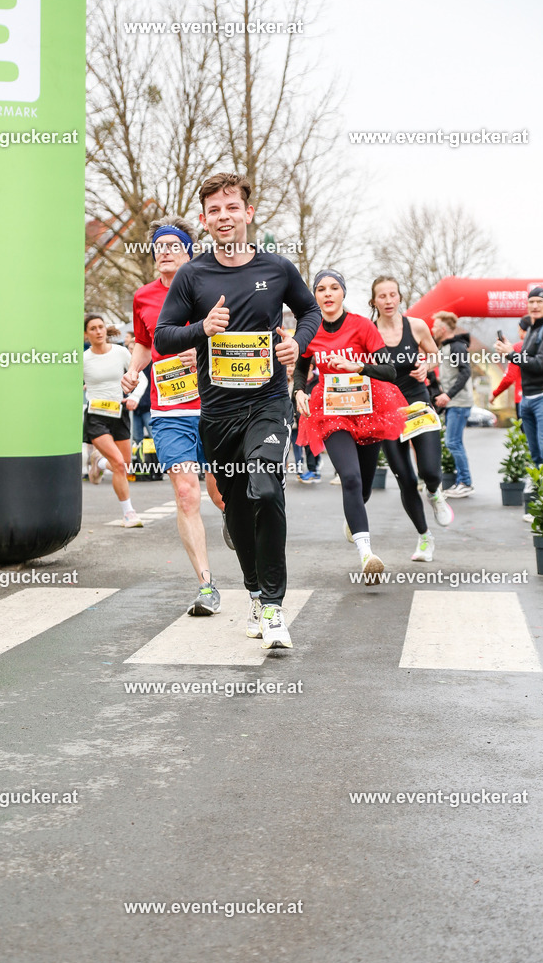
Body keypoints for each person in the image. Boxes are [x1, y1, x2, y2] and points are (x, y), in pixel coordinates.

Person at [154, 172, 321, 648]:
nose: (224, 217)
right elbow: (163, 336)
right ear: (204, 220)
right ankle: (253, 589)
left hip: (267, 402)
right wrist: (202, 327)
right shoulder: (193, 275)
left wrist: (297, 345)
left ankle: (272, 605)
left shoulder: (278, 267)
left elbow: (308, 313)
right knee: (237, 511)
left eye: (232, 207)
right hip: (218, 412)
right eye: (214, 211)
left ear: (248, 213)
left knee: (267, 490)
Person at [123, 216, 228, 615]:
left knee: (220, 493)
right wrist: (135, 370)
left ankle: (231, 516)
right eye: (159, 246)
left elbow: (235, 339)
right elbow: (144, 343)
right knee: (186, 493)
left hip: (216, 405)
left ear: (188, 251)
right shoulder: (143, 296)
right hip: (169, 408)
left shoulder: (210, 286)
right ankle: (206, 585)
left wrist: (198, 347)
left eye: (173, 245)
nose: (164, 251)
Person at [294, 269, 406, 581]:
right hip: (331, 412)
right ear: (314, 296)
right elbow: (301, 369)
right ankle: (366, 553)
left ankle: (353, 518)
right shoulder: (310, 328)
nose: (327, 294)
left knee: (365, 486)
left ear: (343, 293)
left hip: (367, 410)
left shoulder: (362, 326)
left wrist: (359, 366)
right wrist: (298, 391)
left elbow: (390, 371)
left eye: (333, 288)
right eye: (320, 289)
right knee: (351, 478)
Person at [371, 276, 453, 562]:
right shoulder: (368, 332)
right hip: (386, 410)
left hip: (418, 403)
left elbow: (434, 355)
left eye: (393, 294)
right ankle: (424, 537)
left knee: (429, 470)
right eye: (382, 296)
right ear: (374, 302)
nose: (389, 300)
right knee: (405, 478)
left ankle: (434, 492)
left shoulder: (416, 326)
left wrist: (425, 367)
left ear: (400, 298)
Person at [83, 314, 146, 527]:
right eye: (93, 328)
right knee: (119, 464)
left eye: (101, 327)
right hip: (96, 416)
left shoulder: (120, 353)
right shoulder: (83, 360)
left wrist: (134, 398)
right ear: (86, 334)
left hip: (119, 413)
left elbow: (141, 376)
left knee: (125, 465)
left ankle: (98, 462)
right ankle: (128, 513)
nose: (98, 331)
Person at [496, 287, 543, 467]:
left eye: (539, 301)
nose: (535, 305)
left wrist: (511, 354)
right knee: (535, 454)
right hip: (527, 400)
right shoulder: (532, 330)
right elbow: (525, 359)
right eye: (531, 301)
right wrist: (509, 350)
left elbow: (539, 364)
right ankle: (541, 493)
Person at [432, 311, 475, 498]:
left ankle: (465, 482)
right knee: (453, 442)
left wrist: (448, 396)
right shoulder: (446, 348)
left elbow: (465, 372)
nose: (431, 329)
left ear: (442, 329)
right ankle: (461, 482)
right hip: (453, 403)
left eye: (434, 326)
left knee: (453, 442)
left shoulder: (457, 347)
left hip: (459, 403)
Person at [491, 316, 530, 419]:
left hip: (522, 398)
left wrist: (494, 394)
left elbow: (509, 377)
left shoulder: (518, 347)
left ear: (522, 330)